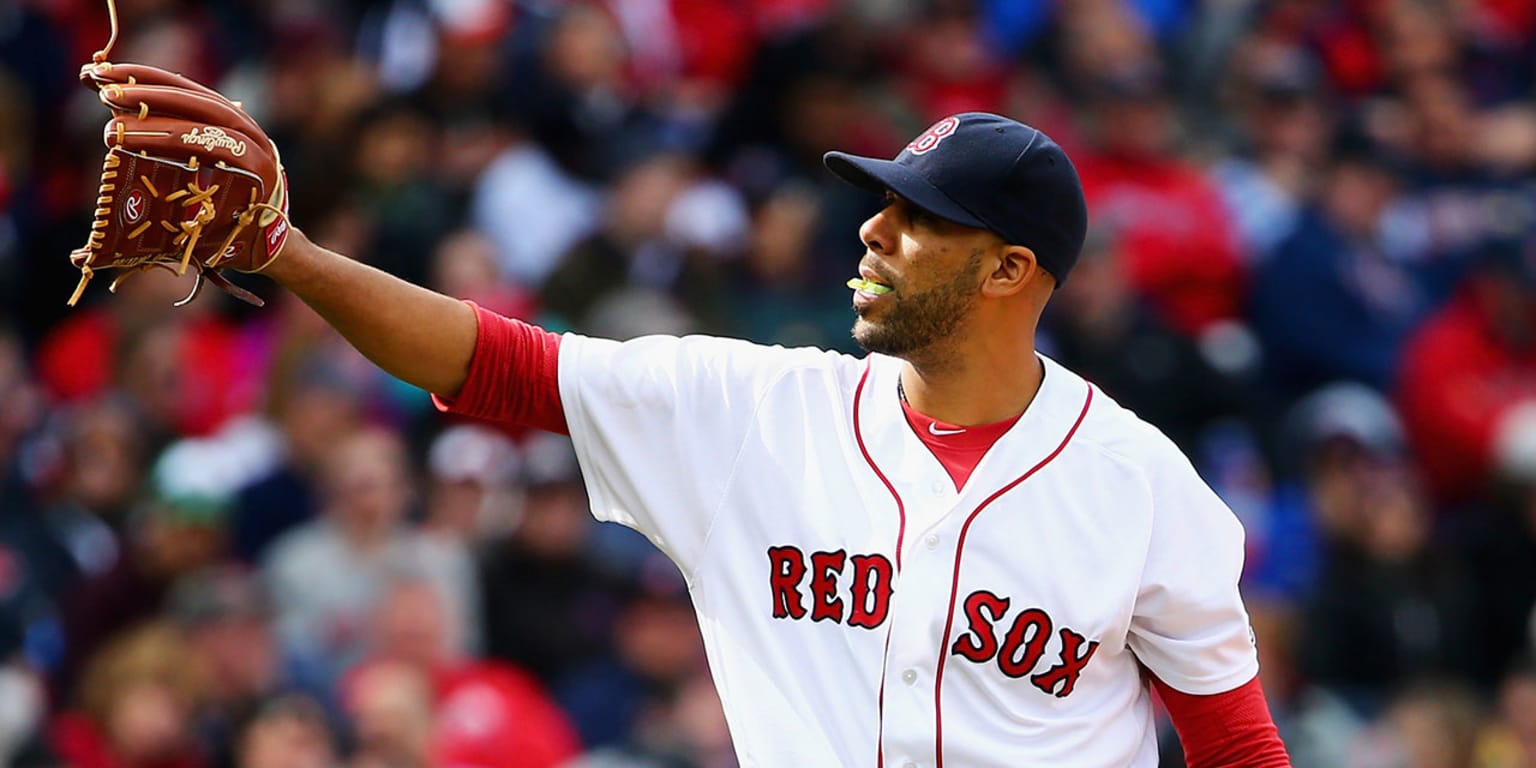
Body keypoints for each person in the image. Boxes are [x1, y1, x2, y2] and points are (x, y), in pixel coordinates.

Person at [178, 104, 1291, 764]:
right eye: (882, 202)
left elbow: (1237, 746)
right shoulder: (755, 411)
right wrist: (287, 254)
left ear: (1009, 271)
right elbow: (497, 363)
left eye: (919, 219)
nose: (873, 228)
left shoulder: (1139, 484)